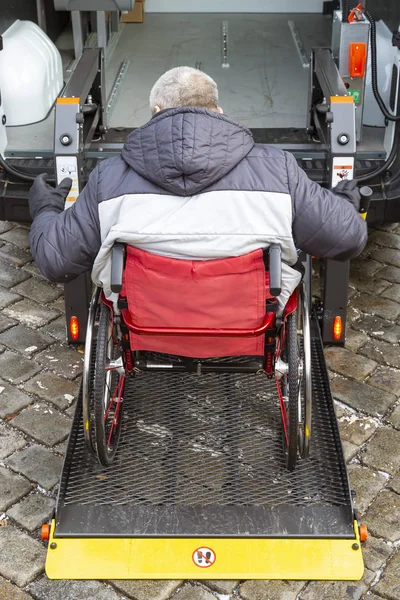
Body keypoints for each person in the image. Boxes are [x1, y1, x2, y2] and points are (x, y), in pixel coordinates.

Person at [29, 66, 367, 309]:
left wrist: (45, 208)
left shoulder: (108, 178)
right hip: (248, 318)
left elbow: (55, 261)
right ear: (218, 111)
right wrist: (344, 201)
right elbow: (347, 238)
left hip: (145, 319)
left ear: (156, 112)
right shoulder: (276, 169)